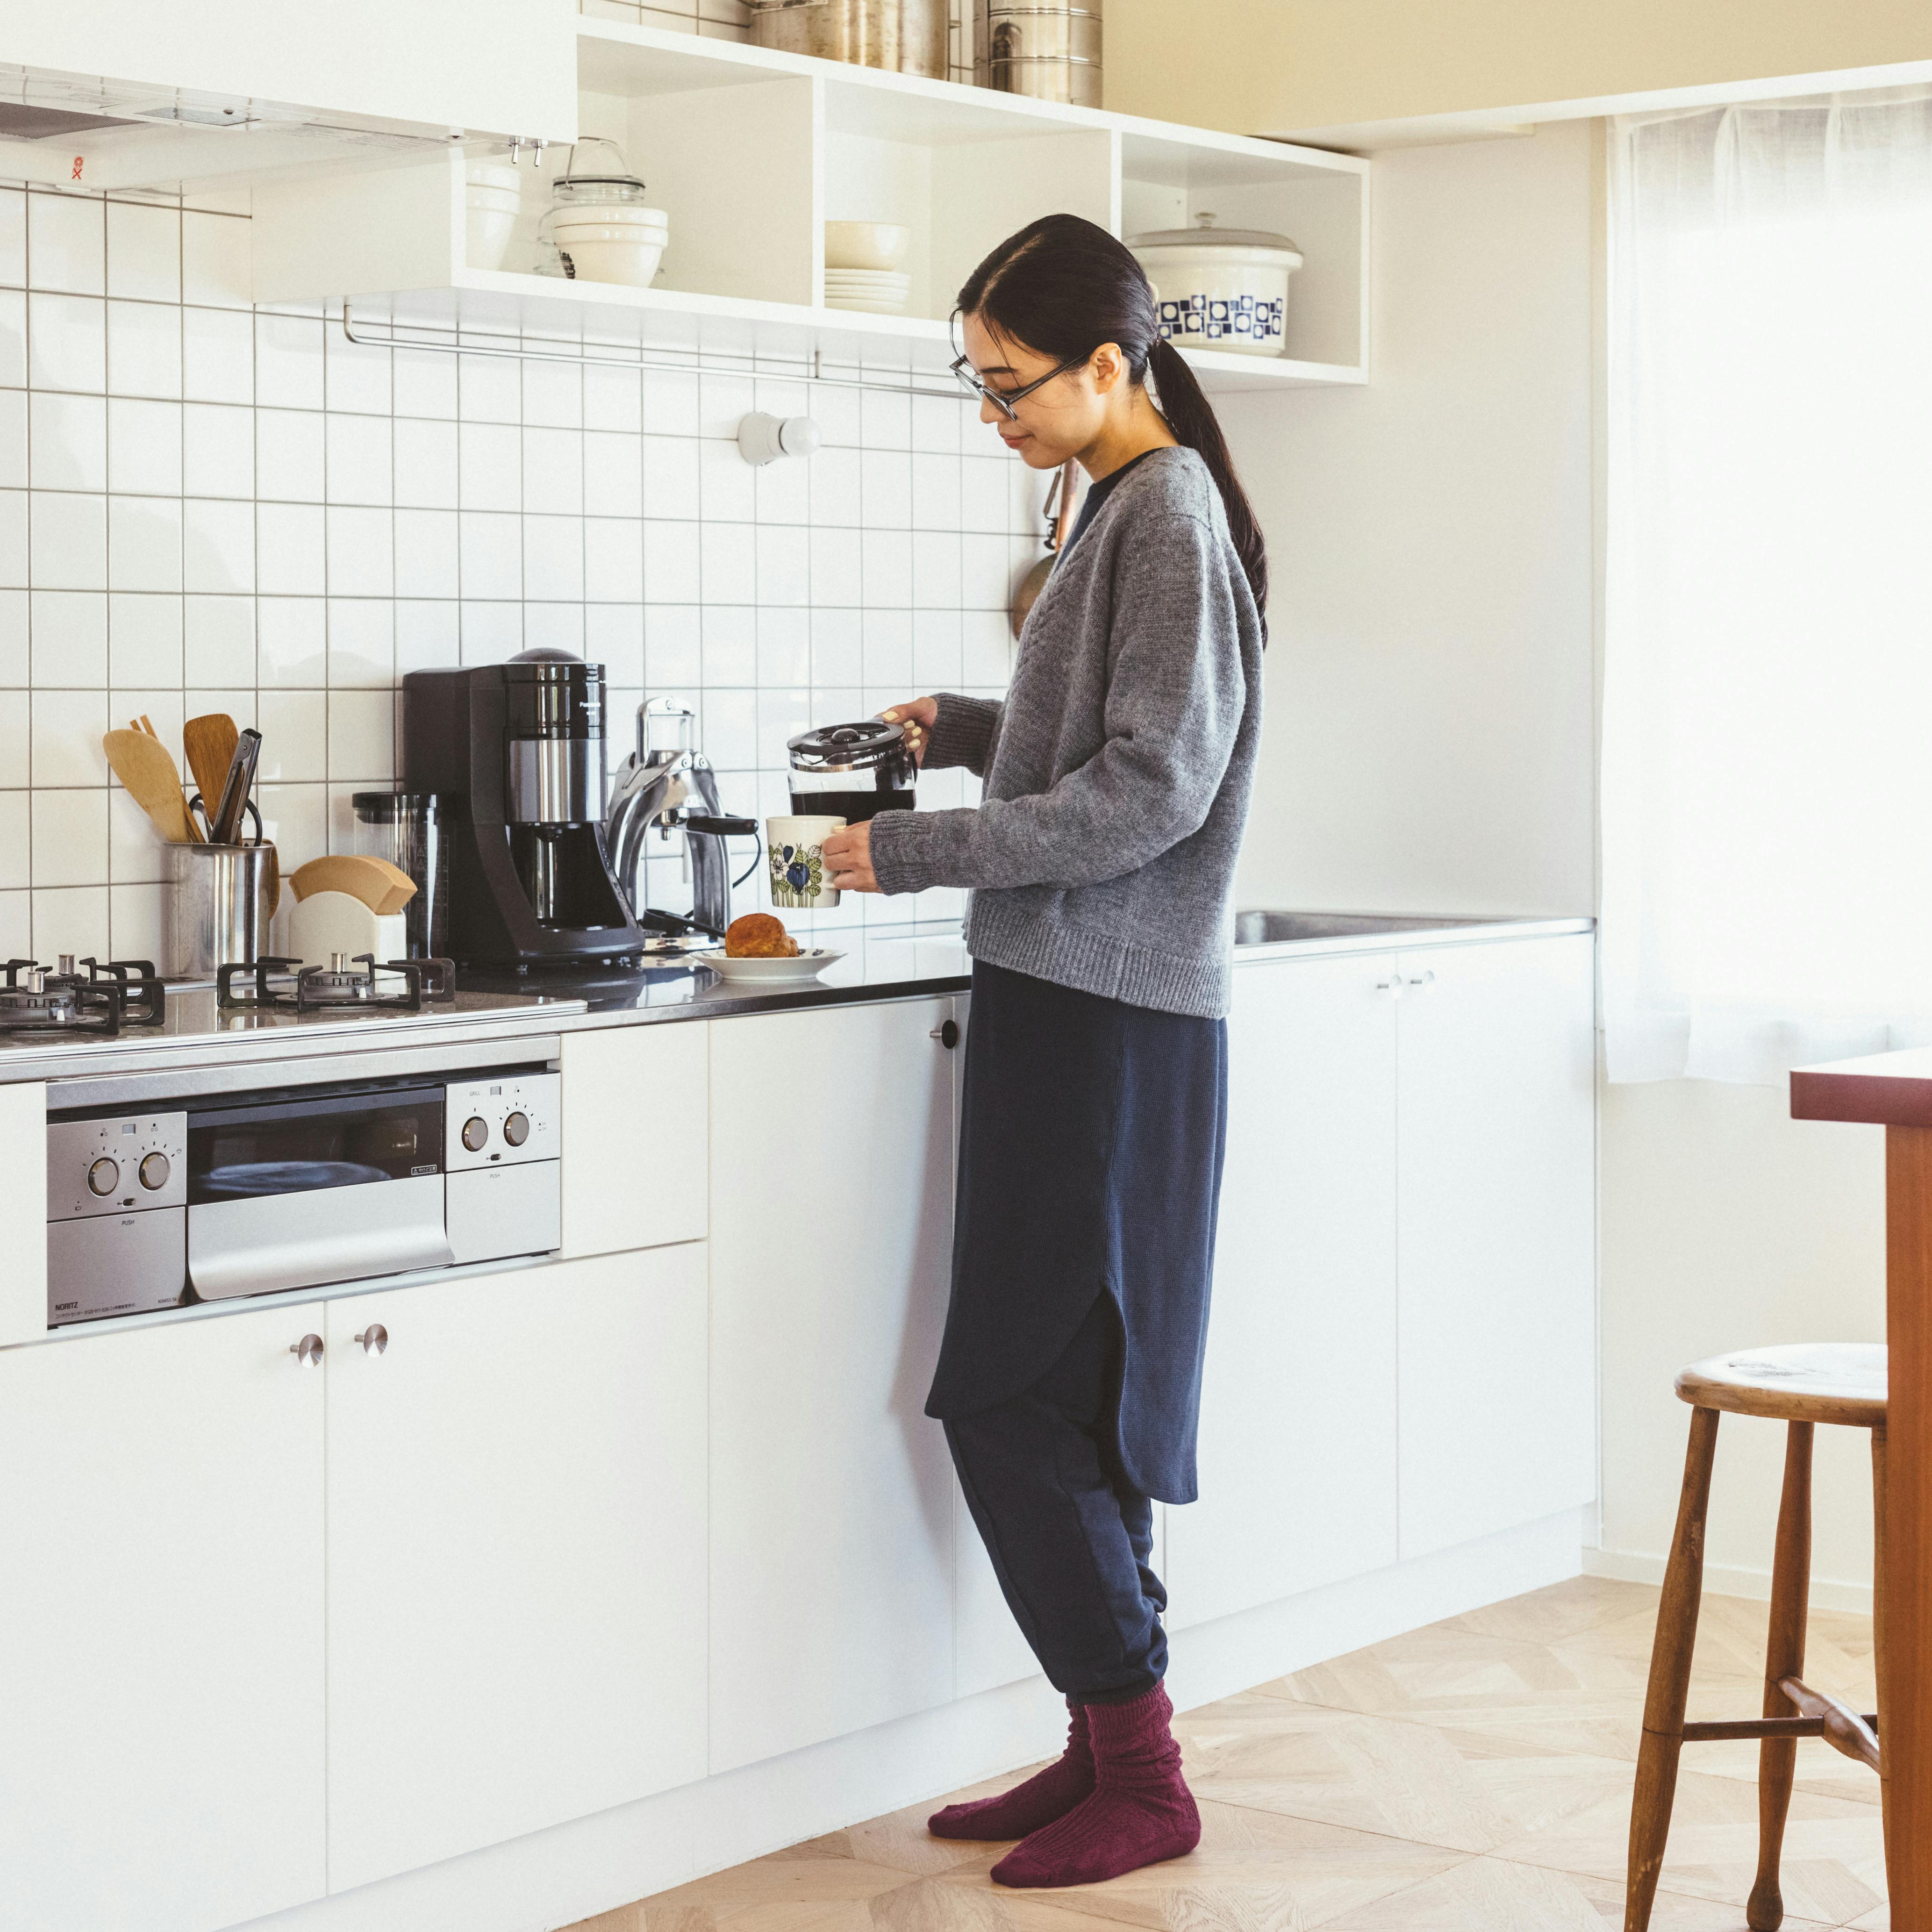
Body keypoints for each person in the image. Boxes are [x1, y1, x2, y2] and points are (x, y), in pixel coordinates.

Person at [821, 212, 1267, 1890]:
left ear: (1108, 364)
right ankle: (1103, 1749)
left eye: (1010, 384)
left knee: (1013, 1399)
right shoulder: (1124, 508)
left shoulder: (1166, 515)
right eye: (976, 383)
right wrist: (980, 724)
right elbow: (1119, 745)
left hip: (1108, 1011)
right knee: (1072, 1398)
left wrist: (917, 847)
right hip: (1083, 998)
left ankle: (1143, 1767)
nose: (993, 412)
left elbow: (1156, 792)